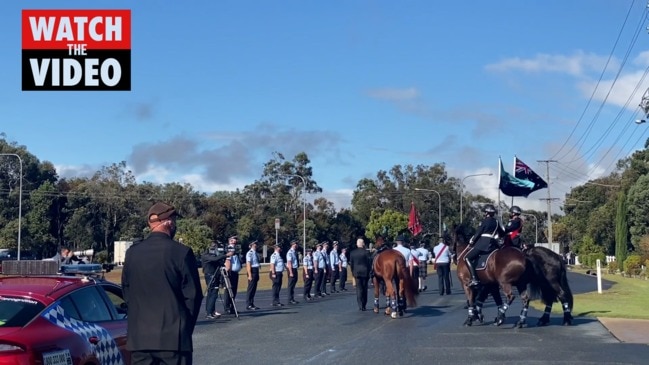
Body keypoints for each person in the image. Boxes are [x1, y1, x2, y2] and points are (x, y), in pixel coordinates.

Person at [122, 202, 203, 365]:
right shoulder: (182, 252)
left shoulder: (132, 253)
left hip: (140, 340)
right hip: (173, 339)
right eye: (174, 221)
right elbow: (193, 296)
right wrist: (184, 328)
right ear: (169, 222)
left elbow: (127, 292)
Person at [465, 204, 505, 287]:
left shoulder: (484, 221)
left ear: (486, 213)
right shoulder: (496, 222)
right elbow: (502, 233)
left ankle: (474, 279)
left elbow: (478, 233)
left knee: (467, 258)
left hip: (482, 243)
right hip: (493, 244)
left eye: (485, 212)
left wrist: (471, 241)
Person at [201, 242, 227, 319]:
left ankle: (211, 311)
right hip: (210, 275)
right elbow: (215, 259)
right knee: (212, 293)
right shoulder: (205, 256)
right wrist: (225, 255)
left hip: (215, 274)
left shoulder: (213, 255)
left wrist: (222, 255)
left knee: (213, 294)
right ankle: (209, 313)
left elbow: (220, 261)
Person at [349, 238, 371, 311]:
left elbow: (351, 264)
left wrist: (353, 272)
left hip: (356, 273)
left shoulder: (352, 253)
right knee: (364, 289)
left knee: (359, 289)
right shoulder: (366, 252)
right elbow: (369, 263)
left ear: (357, 244)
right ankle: (364, 304)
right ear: (363, 244)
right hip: (365, 272)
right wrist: (369, 271)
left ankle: (360, 305)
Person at [223, 236, 242, 315]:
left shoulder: (235, 249)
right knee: (229, 290)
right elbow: (228, 260)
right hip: (231, 273)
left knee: (234, 290)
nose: (235, 241)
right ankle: (228, 308)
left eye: (236, 239)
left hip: (235, 272)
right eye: (234, 239)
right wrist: (228, 271)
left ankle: (232, 307)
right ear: (230, 241)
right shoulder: (230, 248)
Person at [245, 240, 261, 310]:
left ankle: (252, 303)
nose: (256, 245)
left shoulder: (255, 253)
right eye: (254, 244)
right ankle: (248, 304)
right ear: (251, 245)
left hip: (256, 270)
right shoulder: (250, 253)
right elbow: (248, 264)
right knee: (251, 288)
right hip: (252, 270)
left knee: (254, 288)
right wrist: (250, 275)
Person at [286, 239, 300, 304]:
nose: (296, 245)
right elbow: (289, 263)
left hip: (295, 269)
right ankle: (290, 299)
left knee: (293, 285)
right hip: (291, 269)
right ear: (292, 245)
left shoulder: (294, 252)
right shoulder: (290, 252)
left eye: (296, 244)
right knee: (291, 285)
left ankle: (292, 298)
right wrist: (291, 272)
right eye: (295, 244)